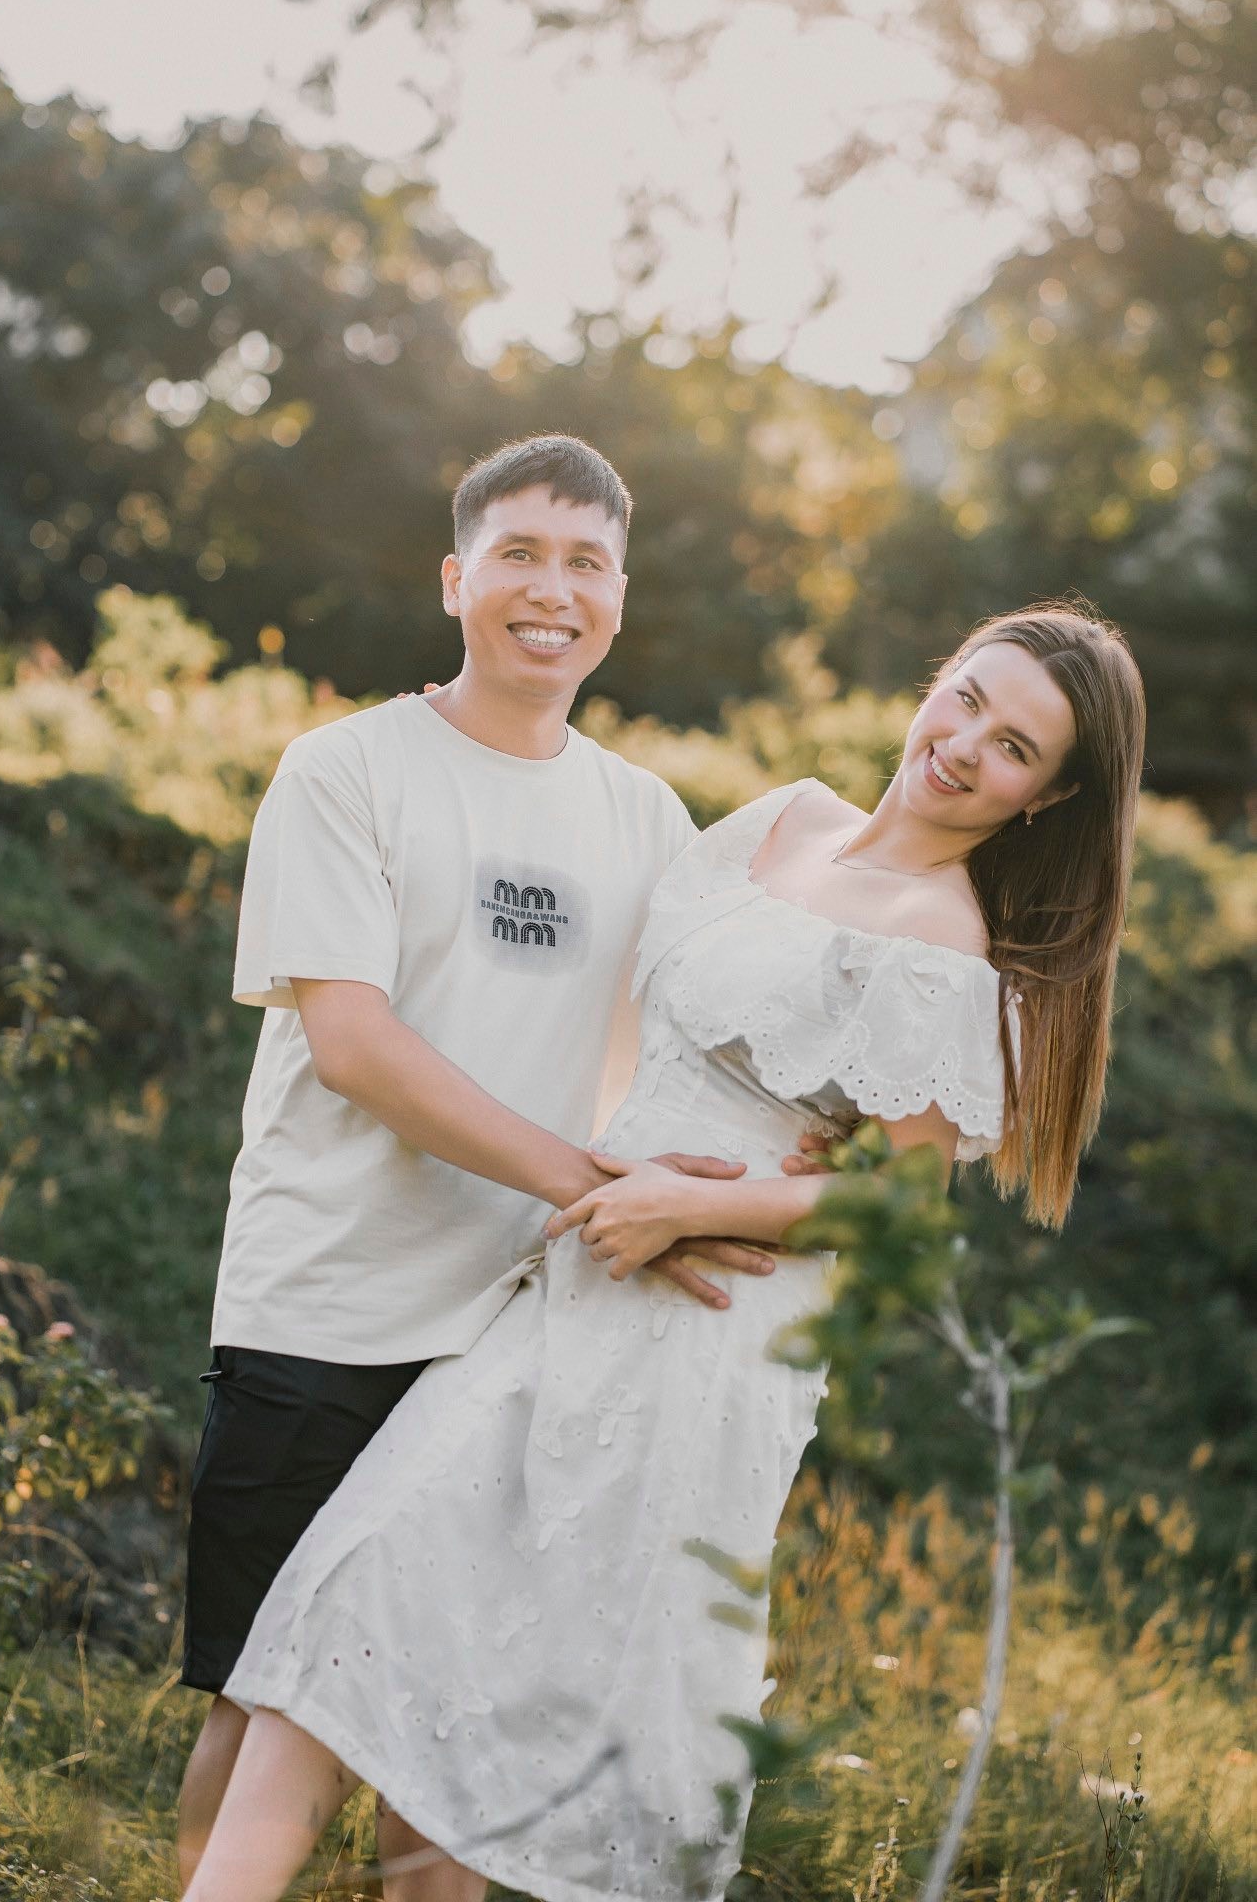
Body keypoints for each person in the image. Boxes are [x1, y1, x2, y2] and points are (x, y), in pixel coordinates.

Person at [180, 603, 1147, 1902]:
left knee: (476, 1699)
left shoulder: (942, 944)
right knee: (359, 1617)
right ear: (937, 683)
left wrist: (691, 1207)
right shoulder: (780, 820)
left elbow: (900, 1209)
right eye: (967, 699)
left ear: (1050, 796)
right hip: (569, 1266)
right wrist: (598, 1170)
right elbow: (631, 1008)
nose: (967, 746)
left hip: (706, 1328)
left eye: (1016, 747)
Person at [176, 433, 826, 1894]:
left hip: (526, 1335)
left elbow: (694, 1042)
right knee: (261, 1690)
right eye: (520, 554)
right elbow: (354, 1044)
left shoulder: (647, 818)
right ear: (455, 578)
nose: (553, 589)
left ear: (618, 599)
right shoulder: (346, 768)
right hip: (326, 1304)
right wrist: (596, 1188)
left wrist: (771, 1163)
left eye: (587, 562)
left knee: (452, 1721)